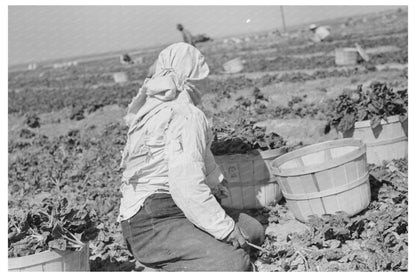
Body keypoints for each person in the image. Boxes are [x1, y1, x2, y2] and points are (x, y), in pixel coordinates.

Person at [118, 42, 265, 271]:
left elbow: (191, 161)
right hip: (153, 223)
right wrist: (224, 228)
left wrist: (215, 183)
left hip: (169, 212)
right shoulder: (186, 114)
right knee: (232, 263)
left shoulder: (154, 106)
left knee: (251, 231)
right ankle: (162, 262)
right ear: (193, 77)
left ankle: (173, 257)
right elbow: (185, 185)